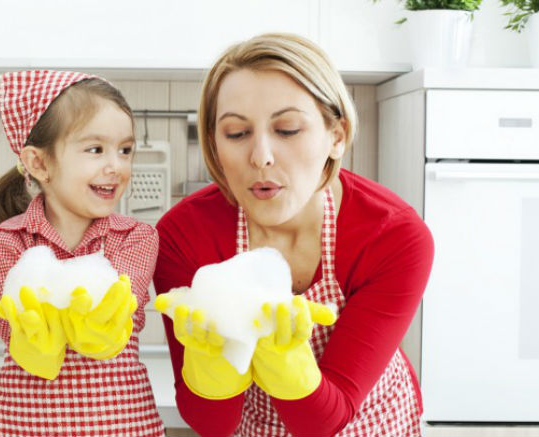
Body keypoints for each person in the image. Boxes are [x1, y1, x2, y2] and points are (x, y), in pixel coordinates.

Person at [153, 34, 434, 437]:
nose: (261, 156)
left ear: (336, 136)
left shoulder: (393, 236)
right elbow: (212, 424)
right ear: (214, 145)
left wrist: (282, 360)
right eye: (236, 133)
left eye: (286, 129)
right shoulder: (185, 235)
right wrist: (210, 367)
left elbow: (326, 420)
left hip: (370, 424)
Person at [0, 70, 164, 437]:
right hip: (25, 428)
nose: (116, 166)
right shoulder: (7, 243)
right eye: (95, 149)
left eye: (125, 150)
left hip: (122, 427)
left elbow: (120, 320)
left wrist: (98, 325)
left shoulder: (137, 238)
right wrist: (37, 340)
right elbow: (16, 336)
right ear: (39, 163)